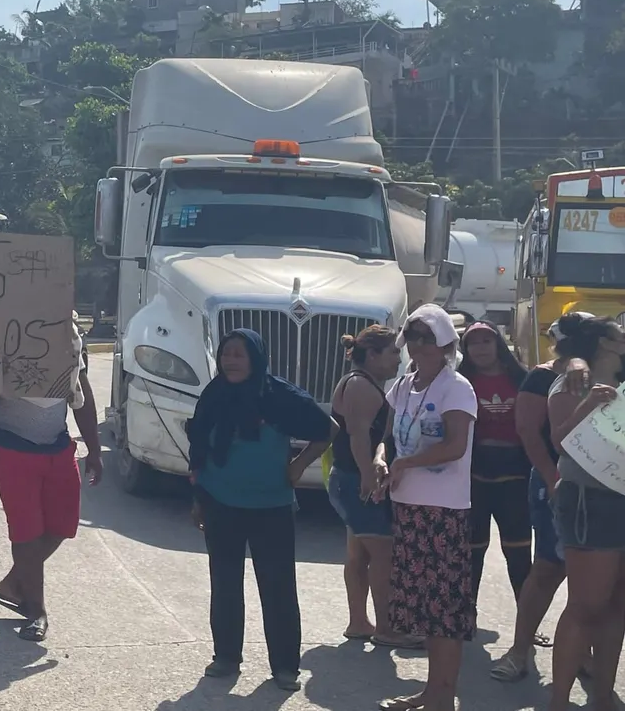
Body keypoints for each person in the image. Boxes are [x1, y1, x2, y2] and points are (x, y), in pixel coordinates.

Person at [188, 328, 336, 691]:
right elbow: (199, 448)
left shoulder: (278, 395)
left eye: (239, 354)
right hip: (220, 501)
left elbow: (328, 429)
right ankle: (226, 657)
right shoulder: (214, 394)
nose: (231, 361)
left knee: (278, 587)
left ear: (256, 358)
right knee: (225, 583)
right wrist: (199, 500)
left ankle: (285, 667)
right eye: (226, 354)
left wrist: (299, 465)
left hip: (272, 505)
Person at [372, 303, 477, 711]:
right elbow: (387, 438)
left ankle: (442, 696)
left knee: (444, 610)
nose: (417, 345)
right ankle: (433, 692)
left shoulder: (457, 387)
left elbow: (455, 446)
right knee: (425, 609)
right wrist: (382, 459)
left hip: (443, 511)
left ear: (445, 342)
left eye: (427, 337)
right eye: (412, 336)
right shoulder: (403, 385)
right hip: (409, 507)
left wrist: (406, 463)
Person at [0, 316, 102, 643]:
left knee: (63, 524)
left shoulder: (70, 334)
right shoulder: (3, 329)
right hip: (9, 444)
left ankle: (13, 583)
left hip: (57, 443)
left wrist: (94, 449)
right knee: (26, 530)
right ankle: (36, 611)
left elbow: (80, 391)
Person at [491, 312, 594, 682]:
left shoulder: (606, 375)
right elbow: (528, 431)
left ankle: (581, 652)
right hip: (556, 480)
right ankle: (520, 651)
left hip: (601, 489)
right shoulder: (543, 377)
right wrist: (552, 479)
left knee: (593, 577)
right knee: (549, 568)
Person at [545, 316, 625, 711]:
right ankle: (559, 702)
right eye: (620, 334)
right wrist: (590, 402)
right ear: (605, 343)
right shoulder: (573, 382)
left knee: (617, 604)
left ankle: (602, 696)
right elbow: (560, 441)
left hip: (619, 497)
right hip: (589, 501)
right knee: (586, 605)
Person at [326, 324, 418, 647]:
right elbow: (358, 436)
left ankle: (359, 622)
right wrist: (368, 476)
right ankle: (386, 627)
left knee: (358, 554)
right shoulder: (360, 386)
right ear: (373, 355)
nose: (398, 359)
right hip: (355, 480)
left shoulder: (363, 383)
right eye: (393, 352)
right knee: (383, 554)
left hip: (350, 479)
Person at [457, 322, 531, 608]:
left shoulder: (523, 379)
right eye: (473, 343)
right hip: (473, 479)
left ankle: (527, 619)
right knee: (471, 552)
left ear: (498, 344)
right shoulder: (460, 382)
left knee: (519, 553)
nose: (480, 348)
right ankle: (465, 616)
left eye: (486, 341)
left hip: (516, 480)